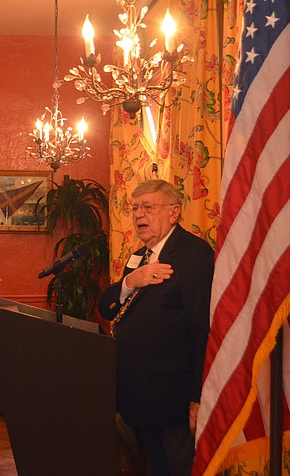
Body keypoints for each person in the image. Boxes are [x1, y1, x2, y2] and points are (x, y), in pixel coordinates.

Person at [97, 179, 213, 476]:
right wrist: (130, 281)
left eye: (148, 207)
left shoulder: (193, 254)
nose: (138, 215)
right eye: (135, 208)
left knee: (178, 467)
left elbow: (203, 330)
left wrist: (198, 397)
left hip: (173, 396)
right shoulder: (140, 256)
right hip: (141, 393)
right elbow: (106, 307)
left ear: (174, 212)